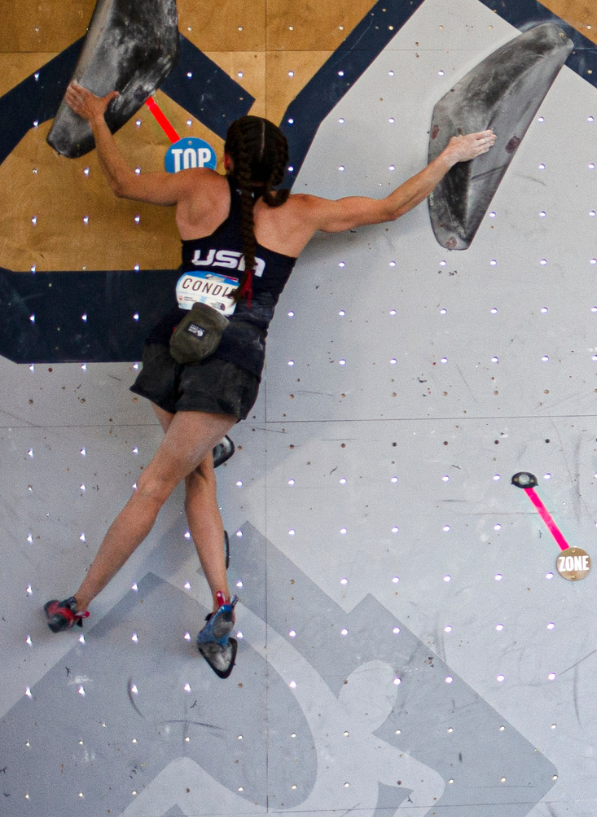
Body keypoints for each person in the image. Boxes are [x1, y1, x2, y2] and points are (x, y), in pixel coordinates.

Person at [41, 82, 496, 674]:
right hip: (227, 368)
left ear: (224, 161)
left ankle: (150, 601)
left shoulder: (197, 187)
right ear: (281, 168)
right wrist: (449, 154)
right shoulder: (302, 211)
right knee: (162, 482)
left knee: (192, 473)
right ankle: (124, 603)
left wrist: (99, 120)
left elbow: (124, 182)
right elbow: (388, 208)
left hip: (169, 352)